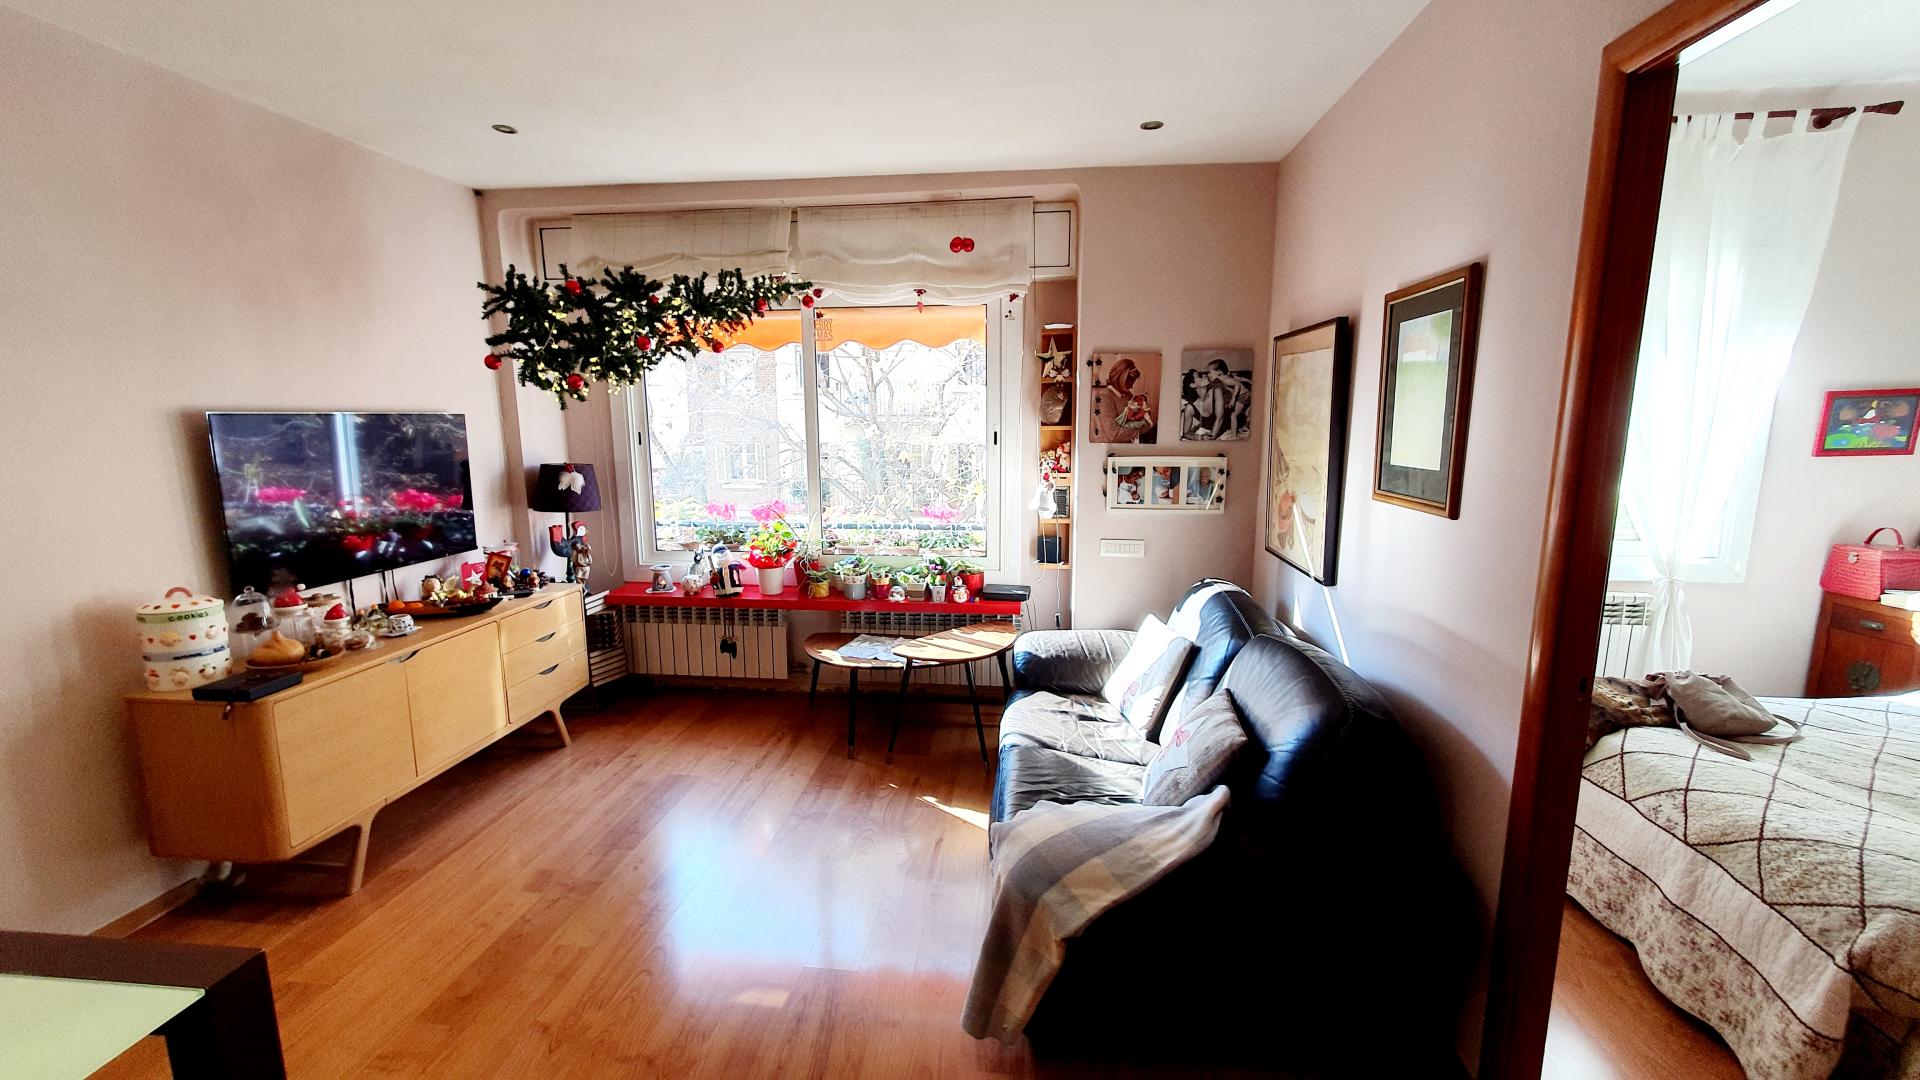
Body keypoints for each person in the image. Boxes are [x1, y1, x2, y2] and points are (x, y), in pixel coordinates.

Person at [1206, 359, 1252, 439]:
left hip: (1243, 396)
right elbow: (1239, 379)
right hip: (1248, 394)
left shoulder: (1224, 379)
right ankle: (1245, 426)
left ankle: (1234, 436)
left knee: (1233, 415)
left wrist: (1233, 399)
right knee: (1246, 414)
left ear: (1218, 372)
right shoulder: (1227, 376)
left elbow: (1237, 385)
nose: (1208, 375)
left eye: (1209, 372)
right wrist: (1249, 381)